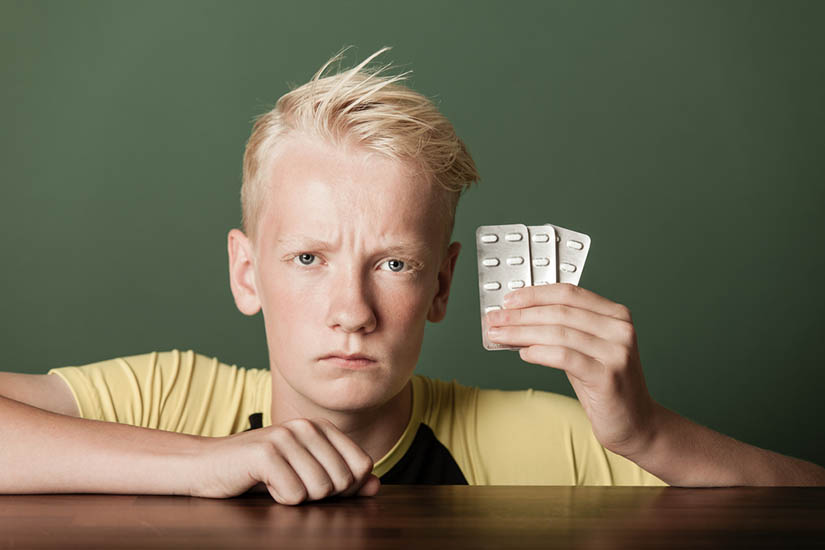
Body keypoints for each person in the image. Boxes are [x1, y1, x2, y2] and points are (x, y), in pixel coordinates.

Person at [2, 47, 824, 506]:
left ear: (439, 288)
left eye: (392, 264)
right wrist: (200, 464)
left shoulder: (531, 438)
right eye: (307, 259)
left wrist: (644, 433)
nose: (351, 311)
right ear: (246, 272)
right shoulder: (171, 403)